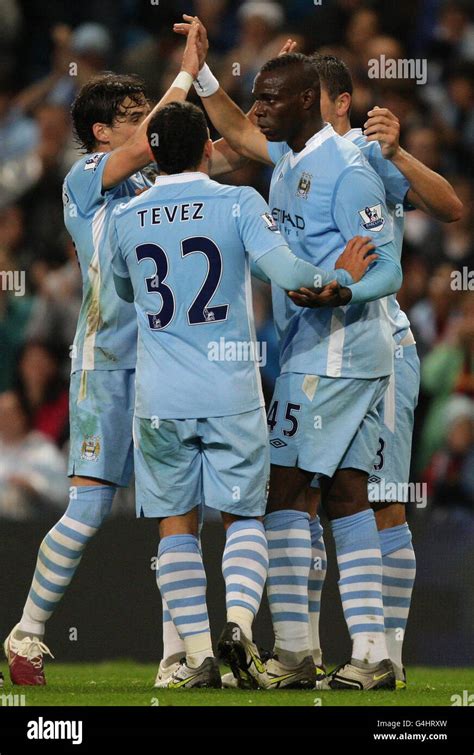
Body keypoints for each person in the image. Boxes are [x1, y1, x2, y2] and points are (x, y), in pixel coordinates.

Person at [109, 100, 378, 690]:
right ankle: (239, 626)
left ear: (151, 153)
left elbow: (127, 291)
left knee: (176, 526)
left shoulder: (126, 216)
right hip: (231, 389)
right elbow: (285, 272)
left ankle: (199, 656)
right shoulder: (239, 202)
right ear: (209, 147)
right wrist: (344, 275)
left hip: (159, 398)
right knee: (244, 517)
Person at [175, 16, 404, 690]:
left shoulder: (350, 169)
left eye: (271, 100)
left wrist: (340, 289)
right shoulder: (292, 159)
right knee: (345, 494)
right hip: (323, 349)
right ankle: (370, 653)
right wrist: (204, 71)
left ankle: (298, 650)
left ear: (308, 102)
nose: (258, 111)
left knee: (279, 488)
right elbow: (241, 128)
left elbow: (387, 269)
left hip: (335, 351)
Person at [3, 21, 212, 687]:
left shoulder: (160, 189)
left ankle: (176, 656)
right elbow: (160, 134)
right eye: (130, 116)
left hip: (164, 368)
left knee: (178, 507)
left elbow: (224, 157)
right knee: (89, 508)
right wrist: (184, 72)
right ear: (100, 131)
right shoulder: (83, 180)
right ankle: (29, 632)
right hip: (104, 368)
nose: (146, 125)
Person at [288, 53, 462, 690]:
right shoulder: (293, 162)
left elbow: (449, 207)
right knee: (326, 499)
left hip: (381, 347)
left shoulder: (364, 157)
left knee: (384, 500)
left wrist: (399, 152)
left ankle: (386, 654)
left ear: (339, 103)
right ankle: (324, 651)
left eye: (316, 98)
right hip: (318, 355)